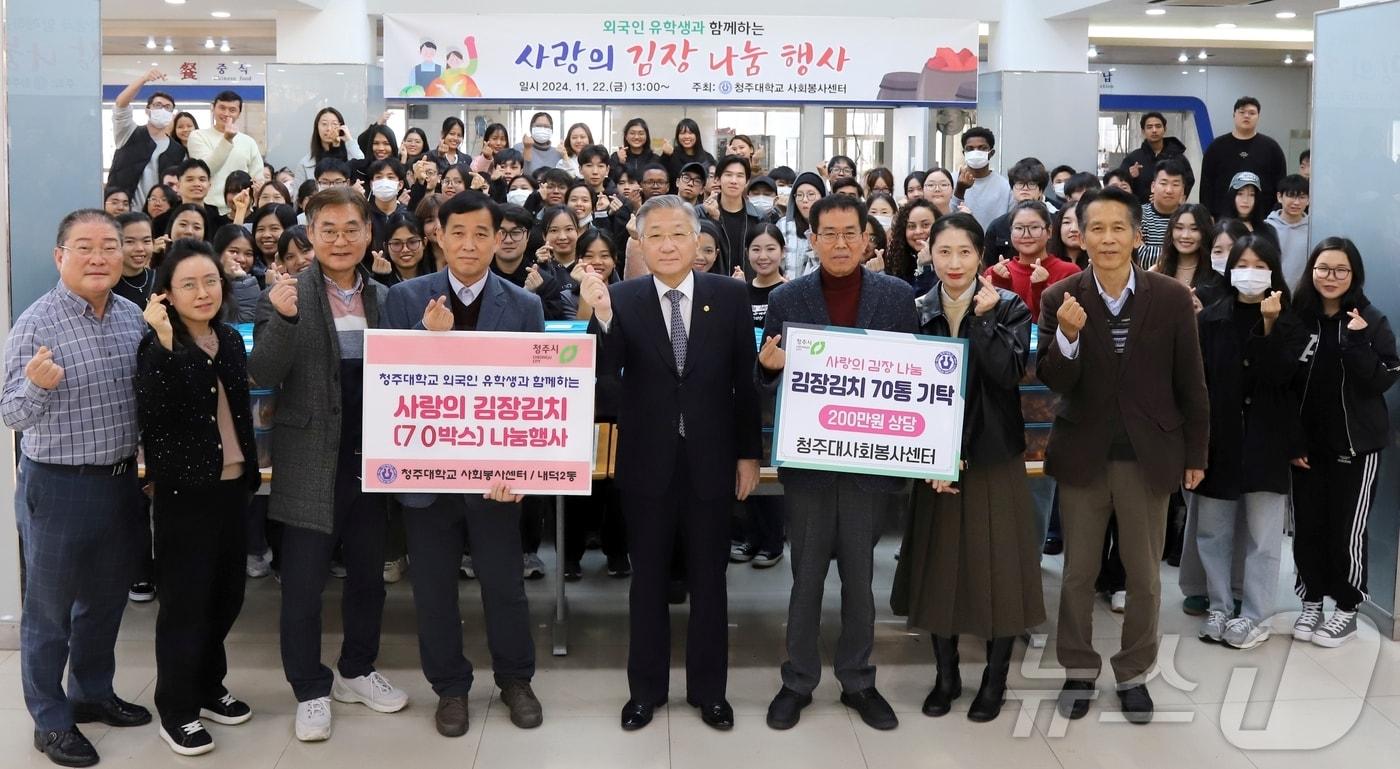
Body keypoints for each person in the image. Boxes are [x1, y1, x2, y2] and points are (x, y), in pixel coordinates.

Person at [580, 195, 762, 733]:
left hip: (712, 459)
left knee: (711, 580)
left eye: (677, 234)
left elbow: (745, 383)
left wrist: (748, 454)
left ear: (696, 239)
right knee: (648, 581)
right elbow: (603, 380)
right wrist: (602, 318)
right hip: (646, 461)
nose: (667, 244)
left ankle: (710, 692)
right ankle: (646, 691)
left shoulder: (729, 295)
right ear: (638, 241)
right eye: (654, 234)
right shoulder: (621, 296)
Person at [1037, 186, 1209, 724]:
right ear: (1080, 236)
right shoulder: (1060, 297)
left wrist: (1196, 451)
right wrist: (1066, 336)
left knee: (1145, 574)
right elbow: (1053, 378)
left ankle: (1135, 673)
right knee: (1078, 573)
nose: (1107, 238)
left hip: (1149, 455)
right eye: (1096, 228)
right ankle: (1078, 671)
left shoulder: (1172, 298)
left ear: (1138, 235)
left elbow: (1192, 384)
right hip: (1083, 453)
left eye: (1118, 228)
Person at [246, 187, 408, 742]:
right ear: (309, 236)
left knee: (369, 575)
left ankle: (356, 670)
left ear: (369, 233)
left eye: (352, 229)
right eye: (329, 229)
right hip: (312, 457)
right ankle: (310, 688)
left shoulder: (390, 297)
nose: (341, 240)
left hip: (374, 456)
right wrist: (285, 319)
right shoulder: (287, 295)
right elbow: (261, 372)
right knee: (304, 582)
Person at [382, 190, 547, 736]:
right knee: (432, 588)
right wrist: (423, 339)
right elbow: (387, 381)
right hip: (425, 477)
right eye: (459, 233)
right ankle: (450, 688)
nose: (471, 244)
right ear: (440, 236)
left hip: (496, 478)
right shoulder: (405, 298)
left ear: (499, 237)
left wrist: (522, 470)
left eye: (483, 233)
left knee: (505, 584)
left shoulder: (523, 306)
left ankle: (515, 679)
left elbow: (533, 395)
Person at [756, 195, 918, 732]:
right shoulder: (788, 297)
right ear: (812, 238)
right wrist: (770, 368)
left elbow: (912, 381)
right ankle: (797, 679)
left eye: (852, 233)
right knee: (803, 578)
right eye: (829, 234)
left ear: (868, 238)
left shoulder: (897, 297)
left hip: (869, 462)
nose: (841, 244)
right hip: (809, 464)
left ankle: (859, 680)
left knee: (859, 576)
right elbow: (767, 383)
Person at [2, 210, 152, 768]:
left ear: (123, 255)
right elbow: (10, 411)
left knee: (105, 603)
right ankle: (50, 719)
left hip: (120, 483)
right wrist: (37, 389)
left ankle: (92, 692)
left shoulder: (132, 317)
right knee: (48, 614)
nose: (98, 257)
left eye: (108, 247)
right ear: (59, 255)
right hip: (58, 486)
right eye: (84, 247)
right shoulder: (36, 323)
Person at [893, 212, 1045, 723]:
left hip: (992, 456)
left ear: (981, 256)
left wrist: (982, 321)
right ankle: (946, 675)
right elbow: (905, 391)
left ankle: (995, 680)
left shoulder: (1009, 308)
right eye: (943, 252)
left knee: (998, 571)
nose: (954, 263)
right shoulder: (915, 310)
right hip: (933, 459)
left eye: (964, 252)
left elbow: (1005, 376)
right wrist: (935, 449)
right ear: (928, 254)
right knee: (940, 569)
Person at [134, 239, 261, 755]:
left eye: (210, 281)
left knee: (226, 596)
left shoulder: (229, 338)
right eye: (188, 284)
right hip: (186, 493)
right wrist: (166, 339)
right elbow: (164, 410)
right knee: (185, 604)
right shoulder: (157, 348)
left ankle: (209, 686)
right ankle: (177, 707)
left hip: (233, 487)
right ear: (166, 294)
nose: (203, 292)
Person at [1194, 234, 1307, 651]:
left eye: (1261, 266)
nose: (1251, 273)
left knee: (1264, 537)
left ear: (1274, 271)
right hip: (1218, 442)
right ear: (1229, 268)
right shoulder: (1211, 319)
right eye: (1244, 264)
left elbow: (1281, 378)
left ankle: (1255, 614)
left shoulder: (1291, 322)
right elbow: (1196, 383)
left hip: (1267, 442)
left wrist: (1270, 324)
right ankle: (1220, 605)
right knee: (1213, 532)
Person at [1289, 238, 1400, 648]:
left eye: (1340, 270)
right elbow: (1284, 384)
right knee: (1307, 528)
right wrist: (1292, 440)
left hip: (1357, 447)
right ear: (1311, 271)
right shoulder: (1298, 318)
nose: (1330, 277)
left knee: (1347, 532)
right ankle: (1311, 600)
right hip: (1306, 448)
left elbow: (1381, 380)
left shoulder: (1370, 320)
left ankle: (1347, 608)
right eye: (1323, 268)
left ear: (1354, 275)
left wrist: (1355, 342)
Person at [729, 224, 787, 568]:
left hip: (775, 395)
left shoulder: (790, 292)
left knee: (771, 469)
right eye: (756, 250)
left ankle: (773, 542)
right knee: (744, 464)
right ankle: (748, 538)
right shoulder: (736, 293)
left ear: (781, 251)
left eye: (770, 249)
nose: (763, 256)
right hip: (742, 392)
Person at [985, 200, 1081, 322]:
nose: (1026, 235)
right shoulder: (994, 273)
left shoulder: (1069, 273)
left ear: (1049, 231)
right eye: (1019, 228)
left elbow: (1062, 322)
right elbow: (990, 322)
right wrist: (1000, 285)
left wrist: (1041, 288)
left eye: (1034, 227)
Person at [1200, 97, 1288, 222]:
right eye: (1242, 112)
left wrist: (1276, 214)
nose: (1247, 116)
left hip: (1263, 218)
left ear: (1258, 116)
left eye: (1252, 113)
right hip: (1222, 217)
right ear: (1234, 115)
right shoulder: (1217, 146)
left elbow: (1280, 183)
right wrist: (1207, 214)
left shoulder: (1271, 147)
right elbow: (1206, 184)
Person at [109, 68, 186, 208]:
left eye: (168, 107)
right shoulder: (128, 133)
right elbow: (120, 105)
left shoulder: (177, 150)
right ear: (147, 110)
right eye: (158, 105)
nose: (163, 110)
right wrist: (143, 79)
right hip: (124, 212)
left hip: (159, 215)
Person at [186, 91, 264, 215]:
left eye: (232, 110)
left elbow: (258, 178)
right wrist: (227, 139)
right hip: (209, 208)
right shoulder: (198, 136)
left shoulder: (248, 142)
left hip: (241, 208)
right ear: (213, 108)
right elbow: (205, 170)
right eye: (222, 108)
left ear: (239, 113)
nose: (226, 113)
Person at [699, 155, 778, 275]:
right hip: (710, 285)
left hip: (749, 287)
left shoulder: (759, 217)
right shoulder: (701, 213)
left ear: (746, 181)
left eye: (740, 176)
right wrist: (714, 219)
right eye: (728, 175)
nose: (734, 181)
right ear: (717, 179)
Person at [1153, 204, 1225, 312]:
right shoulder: (1158, 270)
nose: (1185, 235)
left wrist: (1201, 313)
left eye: (1194, 229)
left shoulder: (1216, 273)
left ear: (1205, 232)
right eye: (1179, 228)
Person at [982, 158, 1052, 265]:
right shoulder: (997, 226)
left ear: (1041, 190)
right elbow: (988, 263)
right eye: (1019, 184)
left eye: (1031, 184)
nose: (1025, 189)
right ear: (1012, 188)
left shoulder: (1055, 221)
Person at [1120, 112, 1195, 205]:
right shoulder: (1133, 158)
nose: (1154, 130)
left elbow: (1189, 180)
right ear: (1143, 131)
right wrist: (1130, 176)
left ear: (1165, 129)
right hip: (1139, 212)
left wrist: (1176, 200)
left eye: (1158, 126)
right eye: (1149, 127)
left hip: (1171, 211)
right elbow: (1120, 184)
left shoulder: (1177, 157)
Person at [953, 127, 1013, 228]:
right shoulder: (951, 181)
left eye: (982, 148)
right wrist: (959, 190)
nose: (976, 152)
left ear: (991, 153)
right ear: (964, 153)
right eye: (970, 149)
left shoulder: (1005, 187)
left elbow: (1011, 222)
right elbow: (946, 215)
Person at [1136, 158, 1189, 270]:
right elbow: (1136, 254)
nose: (1169, 190)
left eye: (1175, 184)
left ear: (1183, 190)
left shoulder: (1190, 218)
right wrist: (1178, 254)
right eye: (1164, 183)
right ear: (1153, 187)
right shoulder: (1138, 214)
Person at [295, 107, 364, 186]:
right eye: (324, 124)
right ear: (317, 128)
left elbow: (362, 167)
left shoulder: (351, 155)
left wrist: (349, 140)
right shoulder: (305, 164)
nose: (329, 128)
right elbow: (299, 197)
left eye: (334, 124)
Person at [777, 172, 825, 280]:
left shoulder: (829, 227)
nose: (804, 200)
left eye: (811, 194)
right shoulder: (783, 225)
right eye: (799, 195)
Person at [1266, 174, 1311, 287]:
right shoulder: (1267, 227)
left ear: (1309, 200)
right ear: (1279, 197)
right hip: (1272, 291)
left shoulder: (1313, 229)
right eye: (1291, 196)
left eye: (1302, 197)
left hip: (1304, 294)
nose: (1296, 202)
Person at [886, 198, 938, 292]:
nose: (918, 231)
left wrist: (927, 267)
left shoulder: (947, 260)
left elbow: (928, 302)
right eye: (911, 226)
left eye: (925, 225)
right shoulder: (897, 262)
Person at [213, 224, 261, 323]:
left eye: (248, 254)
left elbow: (248, 321)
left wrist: (242, 280)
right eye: (233, 251)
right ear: (218, 253)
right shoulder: (208, 284)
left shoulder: (256, 282)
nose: (242, 259)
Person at [114, 212, 158, 307]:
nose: (140, 248)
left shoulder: (161, 280)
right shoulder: (106, 286)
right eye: (130, 242)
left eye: (146, 241)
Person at [611, 118, 660, 183]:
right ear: (626, 136)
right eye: (632, 133)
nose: (636, 137)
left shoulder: (654, 158)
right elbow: (611, 181)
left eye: (641, 133)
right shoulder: (616, 156)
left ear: (646, 136)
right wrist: (620, 163)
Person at [1049, 204, 1088, 270]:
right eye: (1067, 222)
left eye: (1080, 222)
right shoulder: (1047, 264)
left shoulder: (1098, 264)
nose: (1074, 229)